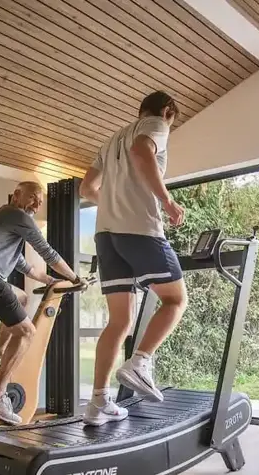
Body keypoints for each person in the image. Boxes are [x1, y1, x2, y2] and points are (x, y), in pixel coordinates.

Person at [78, 91, 187, 426]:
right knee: (175, 300)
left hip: (106, 236)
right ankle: (140, 361)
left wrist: (113, 203)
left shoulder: (112, 140)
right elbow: (142, 152)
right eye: (173, 118)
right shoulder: (155, 124)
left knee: (120, 321)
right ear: (167, 111)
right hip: (140, 229)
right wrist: (167, 203)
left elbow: (86, 189)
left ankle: (98, 403)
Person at [0, 181, 80, 424]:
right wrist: (75, 278)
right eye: (33, 197)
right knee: (27, 332)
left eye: (40, 201)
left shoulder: (0, 219)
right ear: (17, 195)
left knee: (20, 297)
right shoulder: (16, 214)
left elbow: (23, 264)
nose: (37, 204)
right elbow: (48, 253)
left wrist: (51, 279)